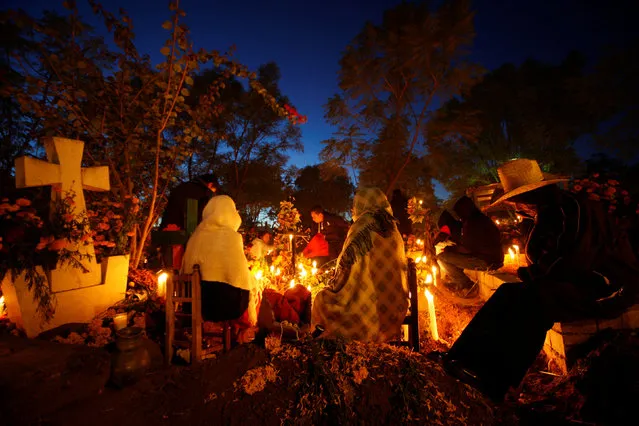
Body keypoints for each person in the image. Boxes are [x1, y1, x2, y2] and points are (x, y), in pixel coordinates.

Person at [432, 159, 639, 401]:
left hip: (609, 285)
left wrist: (531, 276)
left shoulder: (571, 209)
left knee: (538, 302)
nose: (514, 207)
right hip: (578, 280)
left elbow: (573, 261)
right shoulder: (548, 212)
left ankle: (500, 381)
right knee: (508, 293)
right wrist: (529, 275)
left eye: (514, 201)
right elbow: (551, 262)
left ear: (528, 196)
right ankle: (460, 358)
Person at [312, 187, 409, 342]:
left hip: (364, 311)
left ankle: (329, 342)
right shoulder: (392, 227)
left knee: (322, 300)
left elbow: (345, 265)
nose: (353, 210)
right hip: (395, 308)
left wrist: (333, 285)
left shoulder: (362, 226)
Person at [182, 195, 258, 343]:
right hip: (221, 305)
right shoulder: (231, 237)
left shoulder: (196, 235)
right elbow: (240, 275)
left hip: (191, 302)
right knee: (253, 287)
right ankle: (241, 334)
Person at [436, 196, 503, 292]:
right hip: (494, 259)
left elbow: (467, 249)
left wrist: (451, 250)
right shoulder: (480, 218)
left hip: (487, 261)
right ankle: (459, 282)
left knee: (441, 257)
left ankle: (467, 285)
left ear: (465, 209)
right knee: (451, 256)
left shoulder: (472, 223)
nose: (459, 216)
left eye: (459, 212)